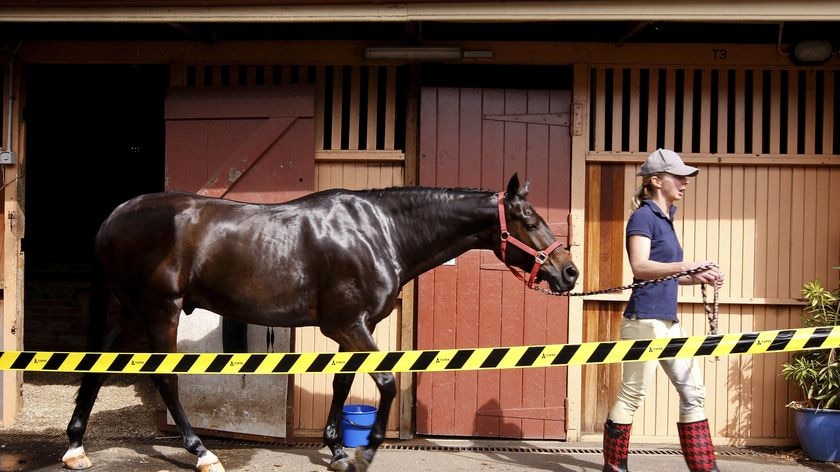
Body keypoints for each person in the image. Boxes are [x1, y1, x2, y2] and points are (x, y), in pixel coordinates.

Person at [602, 149, 726, 472]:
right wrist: (686, 264)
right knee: (632, 394)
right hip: (643, 320)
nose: (685, 182)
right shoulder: (643, 217)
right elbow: (641, 266)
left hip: (668, 321)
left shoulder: (666, 219)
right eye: (678, 176)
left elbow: (666, 272)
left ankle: (704, 468)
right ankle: (614, 468)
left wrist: (698, 276)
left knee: (694, 391)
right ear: (656, 181)